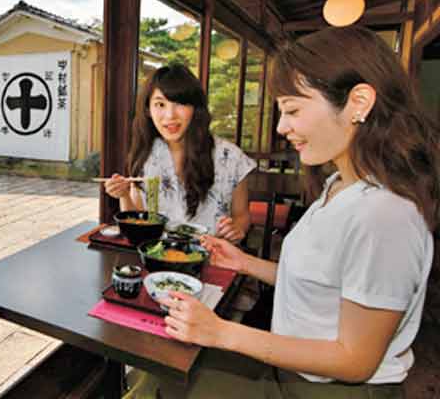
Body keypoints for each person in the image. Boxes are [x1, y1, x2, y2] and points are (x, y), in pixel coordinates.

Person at [124, 26, 439, 398]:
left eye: (292, 109)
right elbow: (324, 281)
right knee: (157, 373)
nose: (281, 126)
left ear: (358, 102)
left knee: (162, 380)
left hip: (331, 389)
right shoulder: (339, 185)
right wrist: (244, 263)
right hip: (292, 371)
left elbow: (356, 360)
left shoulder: (385, 214)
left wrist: (223, 332)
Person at [104, 64, 256, 243]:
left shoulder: (232, 158)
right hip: (157, 254)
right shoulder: (146, 155)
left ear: (195, 108)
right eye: (160, 104)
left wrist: (237, 228)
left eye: (180, 104)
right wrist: (124, 195)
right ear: (148, 110)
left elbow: (242, 216)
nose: (169, 115)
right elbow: (138, 219)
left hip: (213, 256)